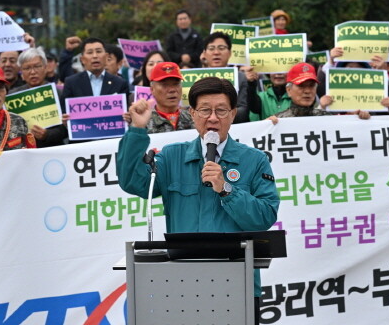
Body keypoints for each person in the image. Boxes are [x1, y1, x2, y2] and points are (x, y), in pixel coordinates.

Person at [117, 76, 279, 324]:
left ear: (233, 114)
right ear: (192, 113)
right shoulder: (173, 157)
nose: (213, 118)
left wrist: (227, 189)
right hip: (182, 283)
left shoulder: (254, 160)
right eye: (205, 110)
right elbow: (133, 182)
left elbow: (265, 216)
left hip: (237, 281)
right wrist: (138, 130)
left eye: (221, 110)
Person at [269, 62, 370, 121]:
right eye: (302, 86)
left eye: (311, 86)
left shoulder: (328, 118)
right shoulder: (278, 121)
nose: (307, 91)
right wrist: (265, 126)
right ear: (289, 90)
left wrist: (356, 119)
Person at [9, 48, 68, 147]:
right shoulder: (12, 96)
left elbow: (66, 129)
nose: (32, 72)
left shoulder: (59, 93)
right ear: (21, 72)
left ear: (45, 67)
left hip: (53, 150)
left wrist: (47, 135)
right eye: (27, 68)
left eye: (37, 66)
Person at [125, 62, 194, 133]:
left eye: (176, 84)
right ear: (152, 89)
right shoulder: (143, 120)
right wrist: (138, 126)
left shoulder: (194, 118)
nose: (172, 90)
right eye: (165, 85)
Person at [202, 31, 254, 123]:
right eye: (211, 48)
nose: (216, 52)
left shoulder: (240, 77)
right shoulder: (195, 77)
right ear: (204, 53)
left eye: (221, 48)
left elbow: (243, 111)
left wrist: (218, 114)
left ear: (230, 53)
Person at [62, 37, 129, 100]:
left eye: (99, 51)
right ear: (82, 59)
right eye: (90, 52)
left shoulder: (120, 83)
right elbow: (64, 109)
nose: (95, 56)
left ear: (106, 57)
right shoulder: (71, 82)